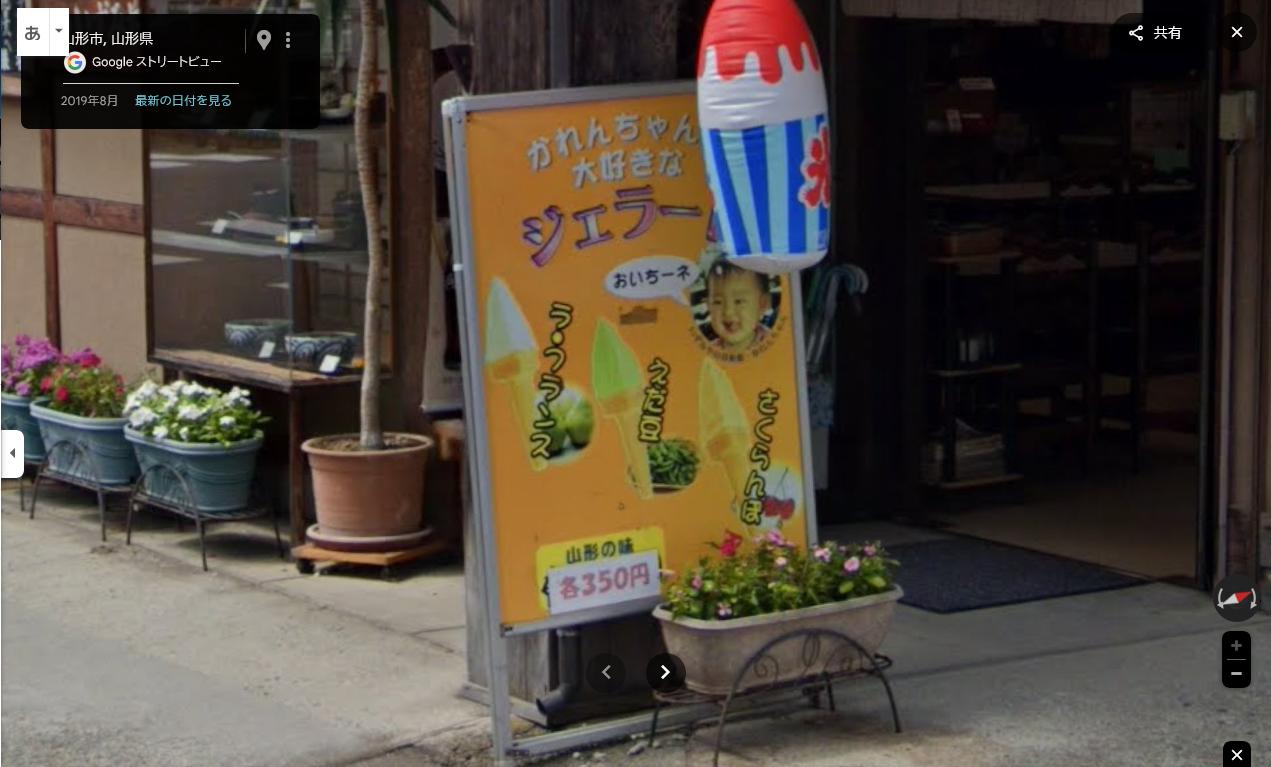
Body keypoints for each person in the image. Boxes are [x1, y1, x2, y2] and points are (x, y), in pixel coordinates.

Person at [705, 256, 771, 353]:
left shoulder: (773, 342)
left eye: (738, 301)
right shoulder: (707, 351)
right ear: (708, 306)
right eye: (718, 302)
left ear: (762, 304)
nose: (728, 312)